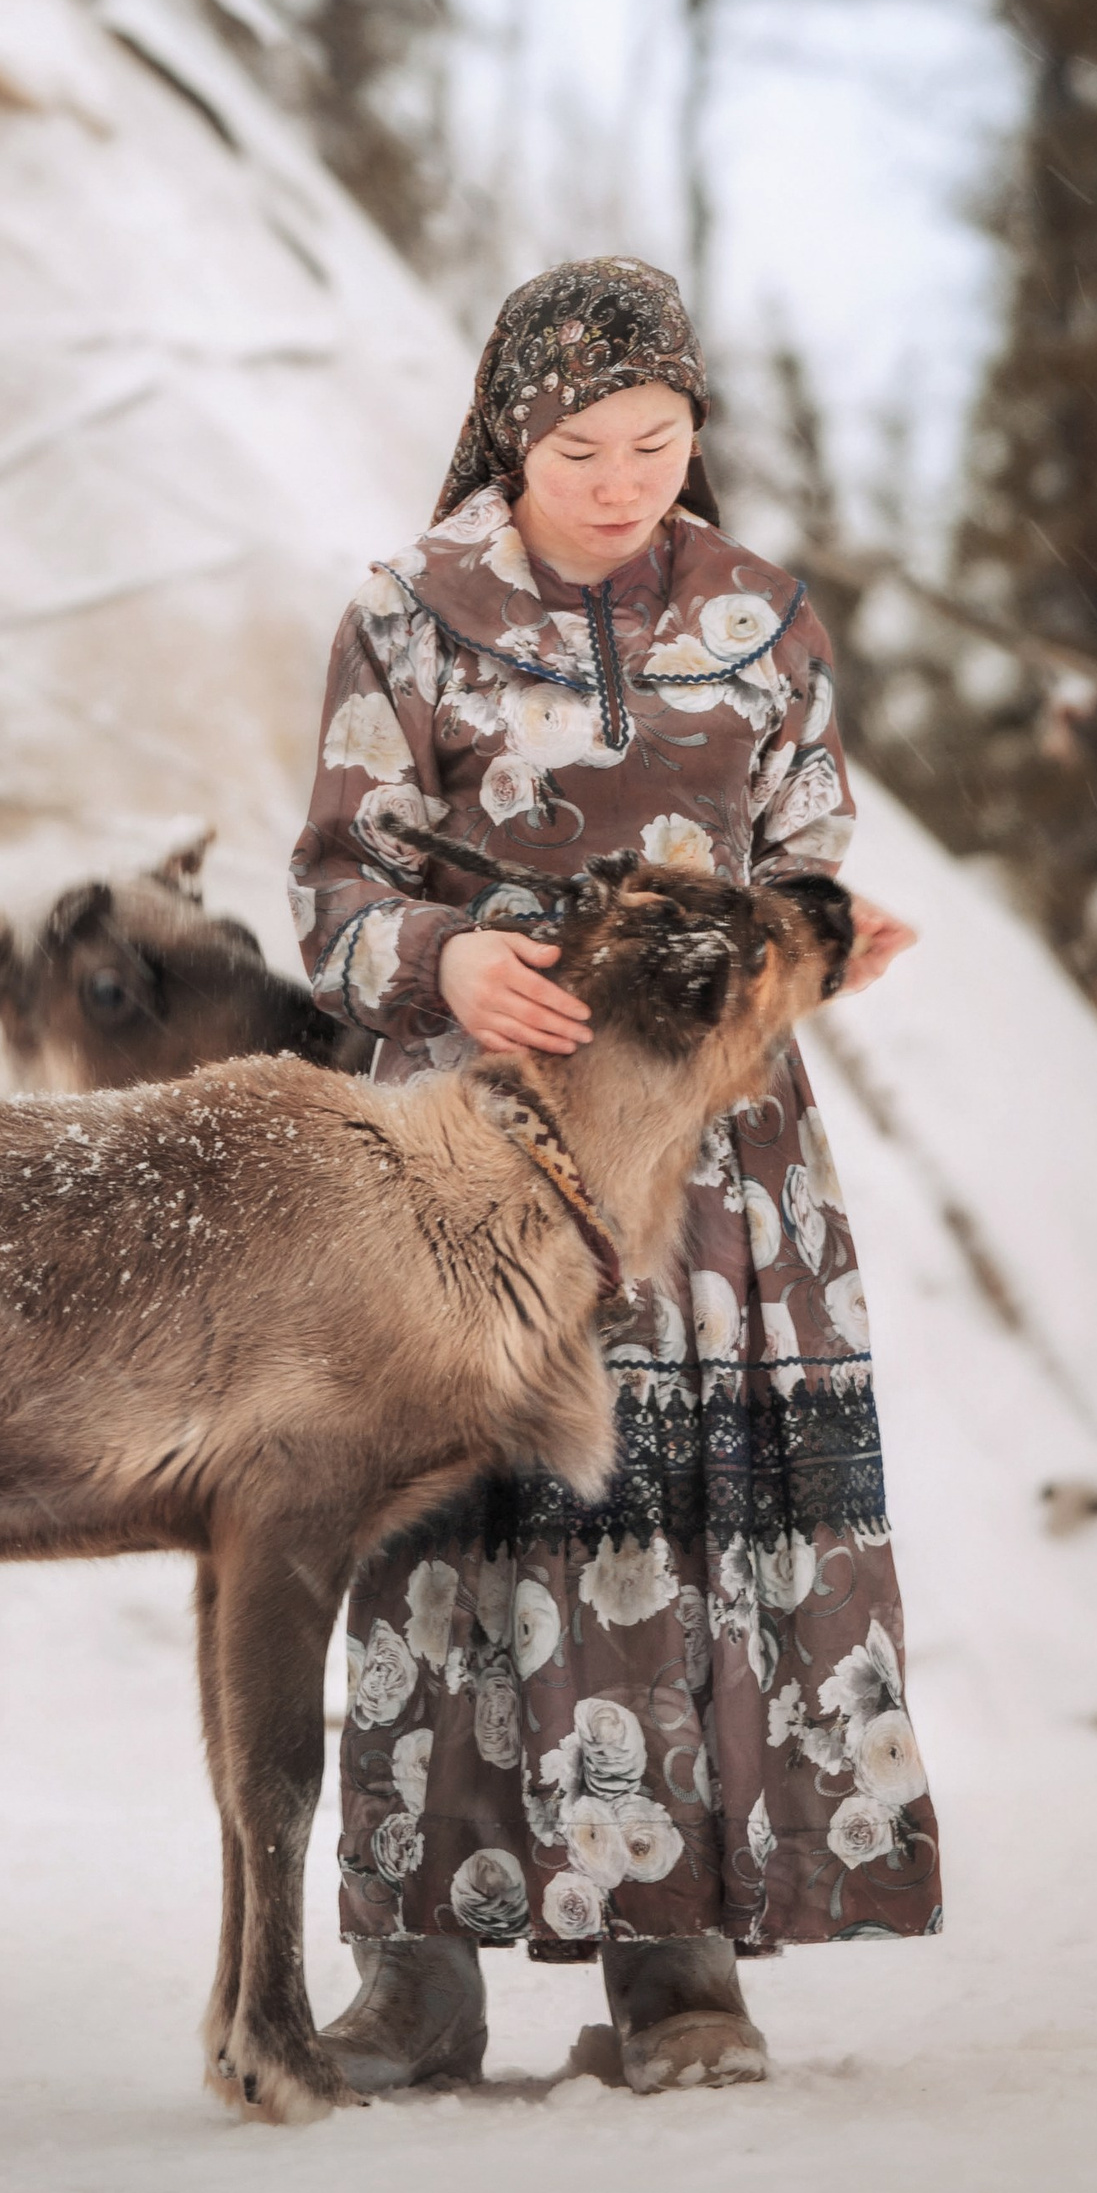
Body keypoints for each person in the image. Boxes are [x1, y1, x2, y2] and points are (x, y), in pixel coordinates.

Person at [289, 257, 939, 2097]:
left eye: (659, 441)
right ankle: (414, 1976)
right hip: (474, 1163)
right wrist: (443, 964)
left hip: (716, 1170)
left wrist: (830, 930)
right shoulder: (408, 612)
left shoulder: (762, 615)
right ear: (513, 428)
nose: (623, 476)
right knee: (435, 1524)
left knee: (684, 1527)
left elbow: (807, 857)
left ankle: (679, 1969)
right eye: (584, 443)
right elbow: (335, 891)